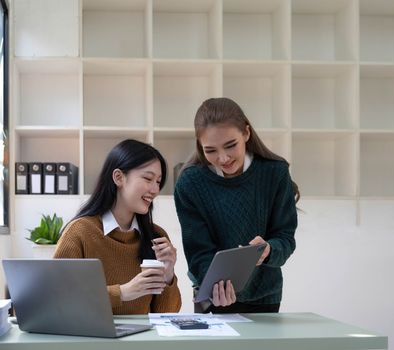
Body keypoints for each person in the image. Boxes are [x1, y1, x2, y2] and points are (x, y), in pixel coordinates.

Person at [174, 97, 299, 313]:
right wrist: (215, 288)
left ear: (247, 134)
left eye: (231, 145)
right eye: (210, 150)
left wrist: (268, 250)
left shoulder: (274, 173)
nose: (223, 158)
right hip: (211, 298)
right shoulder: (190, 183)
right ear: (200, 146)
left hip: (264, 297)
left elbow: (285, 238)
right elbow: (198, 252)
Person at [54, 139, 182, 315]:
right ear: (118, 177)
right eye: (148, 178)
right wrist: (122, 293)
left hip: (140, 342)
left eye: (158, 182)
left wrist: (168, 274)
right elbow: (58, 299)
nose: (155, 189)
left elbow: (168, 314)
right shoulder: (80, 232)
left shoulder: (157, 236)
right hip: (92, 340)